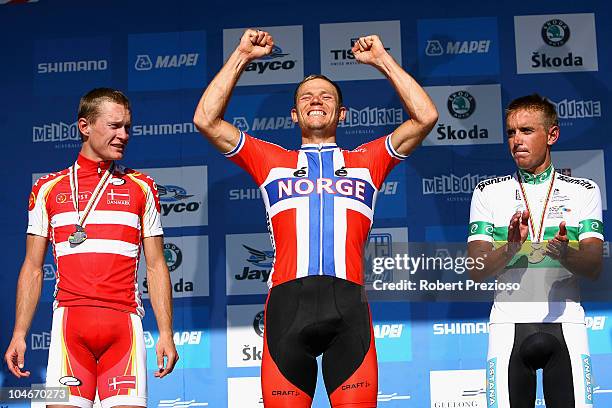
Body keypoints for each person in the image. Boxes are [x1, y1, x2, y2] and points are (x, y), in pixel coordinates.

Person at [194, 29, 437, 407]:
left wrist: (382, 61)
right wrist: (241, 55)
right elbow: (206, 120)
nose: (316, 101)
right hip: (287, 309)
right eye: (306, 97)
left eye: (327, 96)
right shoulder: (271, 161)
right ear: (295, 114)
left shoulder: (366, 161)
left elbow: (425, 116)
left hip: (349, 310)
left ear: (341, 113)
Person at [4, 88, 179, 408]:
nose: (123, 135)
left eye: (128, 126)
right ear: (85, 126)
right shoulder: (47, 189)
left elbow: (155, 265)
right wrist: (19, 333)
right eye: (114, 126)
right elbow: (32, 266)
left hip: (124, 326)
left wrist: (166, 332)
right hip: (69, 329)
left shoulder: (143, 186)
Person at [468, 94, 603, 408]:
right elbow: (476, 270)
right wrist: (513, 248)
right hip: (507, 327)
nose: (517, 140)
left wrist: (563, 252)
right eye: (511, 133)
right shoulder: (488, 192)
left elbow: (594, 266)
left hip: (566, 325)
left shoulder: (583, 190)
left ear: (552, 135)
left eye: (527, 131)